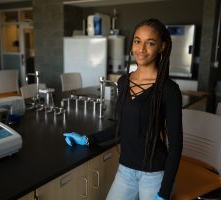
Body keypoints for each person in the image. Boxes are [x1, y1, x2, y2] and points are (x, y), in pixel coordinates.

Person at [63, 18, 183, 200]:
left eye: (150, 43)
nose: (141, 49)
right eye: (137, 41)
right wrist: (88, 139)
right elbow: (124, 126)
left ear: (162, 47)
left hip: (154, 175)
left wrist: (164, 192)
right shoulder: (123, 81)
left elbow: (175, 146)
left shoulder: (169, 89)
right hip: (126, 171)